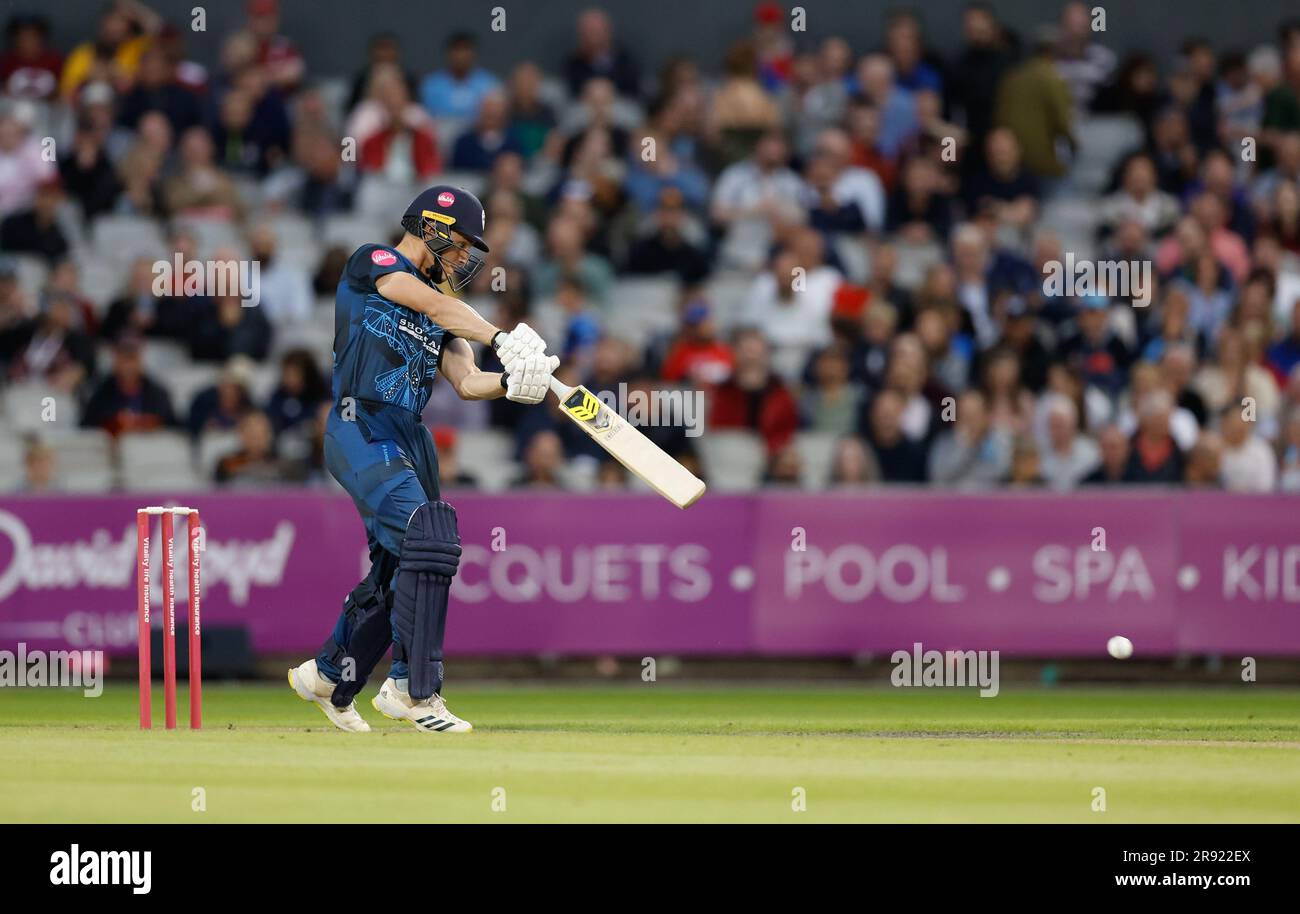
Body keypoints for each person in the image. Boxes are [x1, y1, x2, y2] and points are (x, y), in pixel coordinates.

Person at [287, 185, 560, 734]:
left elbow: (466, 381)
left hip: (410, 434)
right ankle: (413, 689)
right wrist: (500, 334)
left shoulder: (442, 306)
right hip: (360, 422)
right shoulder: (376, 262)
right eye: (460, 245)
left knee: (406, 564)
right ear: (431, 228)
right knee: (428, 537)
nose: (463, 260)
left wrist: (515, 382)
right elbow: (435, 305)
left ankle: (328, 674)